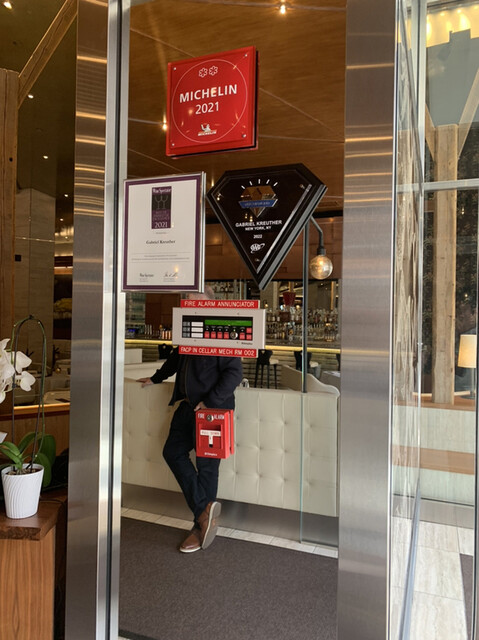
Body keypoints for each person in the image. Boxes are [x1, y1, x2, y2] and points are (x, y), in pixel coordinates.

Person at [138, 289, 243, 553]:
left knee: (207, 468)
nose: (191, 308)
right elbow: (176, 359)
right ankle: (204, 513)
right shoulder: (189, 331)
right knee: (172, 452)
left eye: (197, 304)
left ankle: (199, 527)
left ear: (212, 307)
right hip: (187, 408)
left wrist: (209, 402)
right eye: (188, 304)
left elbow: (234, 373)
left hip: (212, 411)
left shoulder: (223, 333)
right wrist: (156, 378)